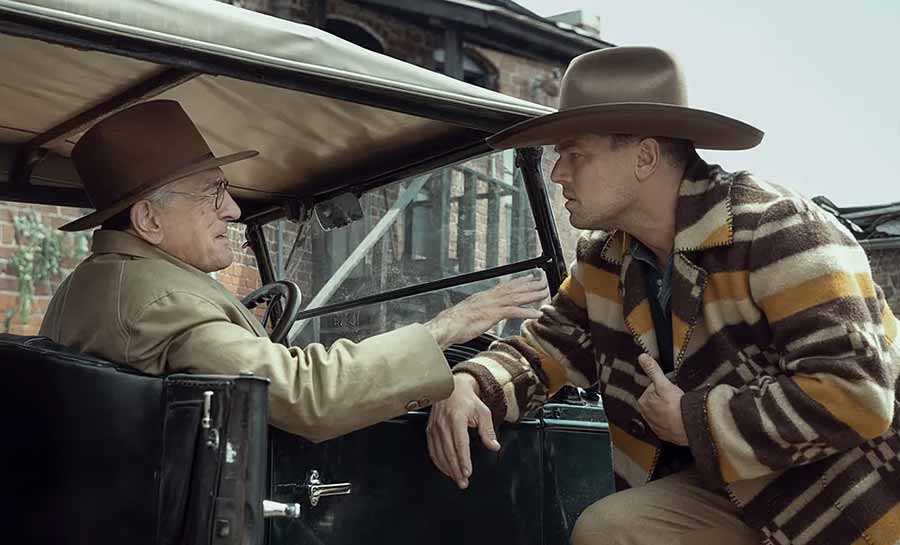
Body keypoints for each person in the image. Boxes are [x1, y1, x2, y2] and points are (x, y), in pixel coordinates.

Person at [426, 46, 900, 545]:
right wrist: (470, 385)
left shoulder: (777, 228)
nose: (558, 173)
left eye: (575, 155)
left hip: (844, 500)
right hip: (731, 489)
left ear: (646, 157)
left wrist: (696, 419)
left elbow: (857, 394)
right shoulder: (606, 260)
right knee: (610, 531)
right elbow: (544, 351)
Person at [39, 99, 548, 443]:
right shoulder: (165, 302)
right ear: (149, 219)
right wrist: (445, 329)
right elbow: (308, 397)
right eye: (213, 192)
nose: (234, 210)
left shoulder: (94, 285)